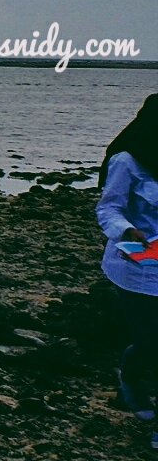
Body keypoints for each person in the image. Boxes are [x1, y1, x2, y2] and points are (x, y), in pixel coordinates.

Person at [100, 96, 158, 433]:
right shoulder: (127, 160)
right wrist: (127, 231)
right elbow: (108, 209)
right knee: (150, 341)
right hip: (135, 263)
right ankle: (131, 376)